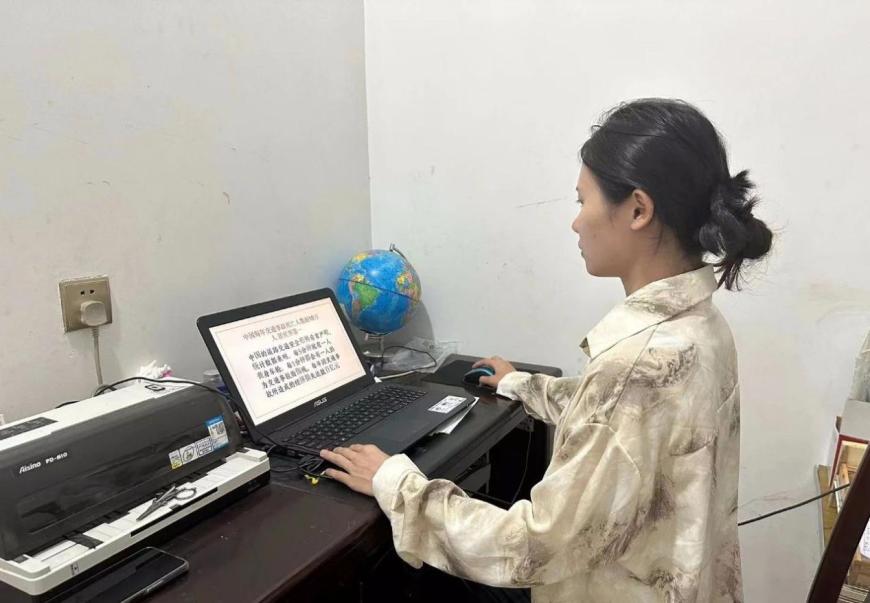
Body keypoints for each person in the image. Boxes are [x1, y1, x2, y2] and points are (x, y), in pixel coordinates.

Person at [320, 98, 773, 602]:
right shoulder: (701, 328)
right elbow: (626, 424)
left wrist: (396, 483)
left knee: (394, 573)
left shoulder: (635, 366)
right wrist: (520, 384)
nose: (576, 223)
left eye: (582, 201)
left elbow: (534, 547)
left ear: (638, 210)